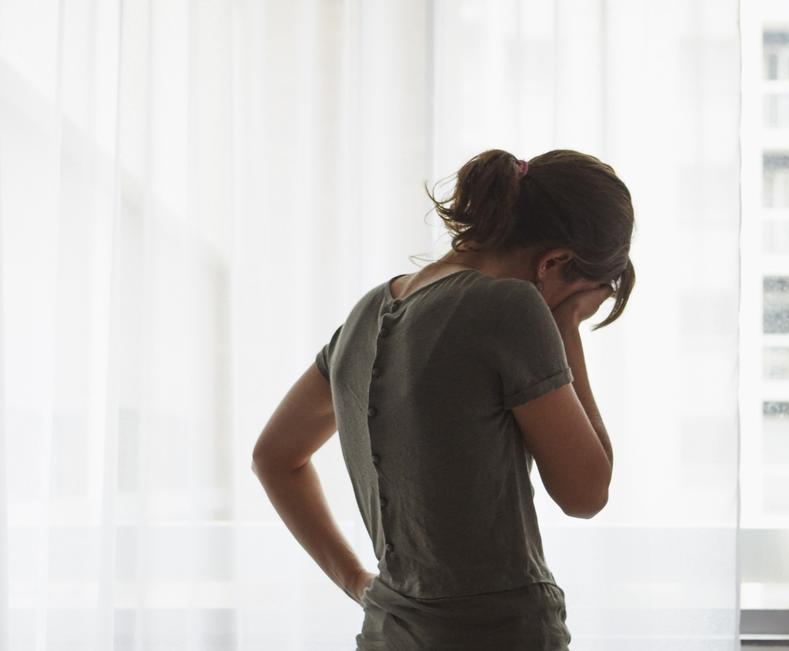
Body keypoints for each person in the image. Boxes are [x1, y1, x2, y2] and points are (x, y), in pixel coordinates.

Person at [251, 148, 635, 650]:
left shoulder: (367, 313)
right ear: (555, 261)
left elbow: (274, 457)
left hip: (386, 632)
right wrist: (567, 329)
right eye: (581, 295)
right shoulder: (509, 307)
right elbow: (586, 494)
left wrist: (357, 583)